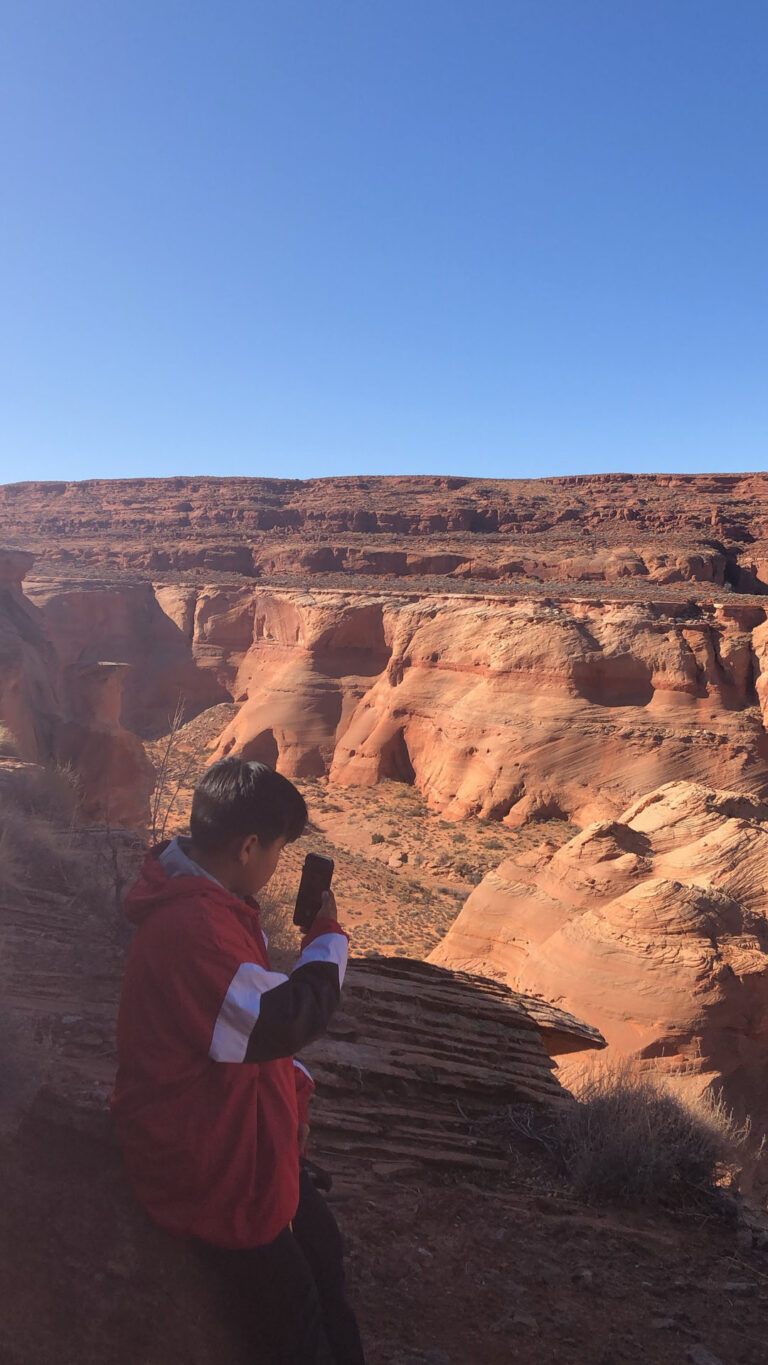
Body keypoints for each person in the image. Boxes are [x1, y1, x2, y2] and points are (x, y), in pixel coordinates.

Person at [111, 756, 365, 1364]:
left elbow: (236, 1026)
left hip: (229, 1129)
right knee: (293, 1316)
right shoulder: (195, 928)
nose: (277, 866)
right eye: (277, 850)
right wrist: (327, 935)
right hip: (209, 1172)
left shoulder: (212, 899)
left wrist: (292, 1093)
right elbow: (290, 1017)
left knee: (322, 1243)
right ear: (248, 846)